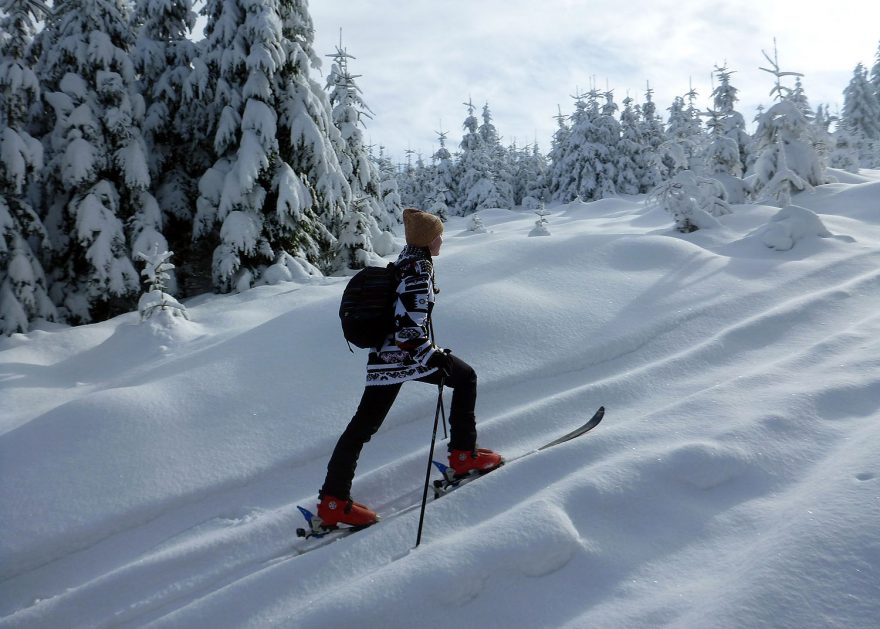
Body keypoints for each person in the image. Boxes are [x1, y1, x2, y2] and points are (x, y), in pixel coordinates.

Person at [316, 208, 503, 527]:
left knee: (362, 428)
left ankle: (333, 500)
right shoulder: (418, 268)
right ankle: (462, 456)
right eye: (439, 234)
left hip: (383, 358)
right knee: (466, 377)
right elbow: (408, 329)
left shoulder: (405, 261)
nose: (442, 239)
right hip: (404, 358)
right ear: (430, 239)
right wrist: (433, 357)